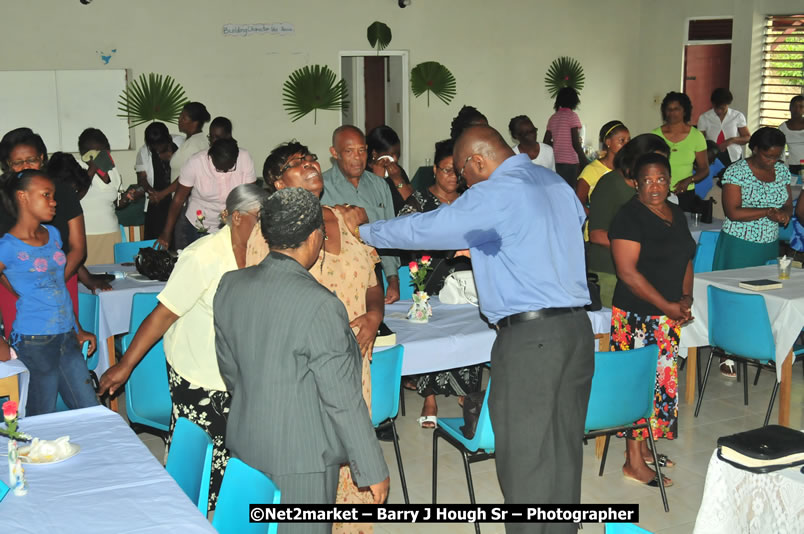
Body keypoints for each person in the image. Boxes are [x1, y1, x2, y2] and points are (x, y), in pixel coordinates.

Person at [351, 125, 593, 534]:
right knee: (563, 449)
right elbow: (548, 234)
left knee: (524, 457)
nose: (466, 185)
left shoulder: (494, 192)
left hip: (531, 339)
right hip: (576, 332)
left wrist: (364, 231)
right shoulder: (554, 181)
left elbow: (424, 228)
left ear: (477, 161)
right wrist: (488, 243)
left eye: (465, 176)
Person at [215, 188, 389, 534]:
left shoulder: (230, 285)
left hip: (247, 440)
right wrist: (373, 469)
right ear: (314, 238)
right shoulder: (320, 304)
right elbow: (343, 400)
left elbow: (230, 370)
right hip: (304, 458)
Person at [98, 184, 269, 511]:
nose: (266, 228)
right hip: (200, 373)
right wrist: (126, 365)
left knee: (240, 461)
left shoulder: (264, 254)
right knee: (202, 463)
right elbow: (163, 314)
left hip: (241, 373)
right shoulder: (203, 256)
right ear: (236, 217)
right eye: (260, 219)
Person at [256, 142, 383, 533]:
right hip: (302, 374)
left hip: (354, 365)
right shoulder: (267, 234)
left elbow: (372, 278)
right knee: (310, 477)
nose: (309, 164)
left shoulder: (345, 220)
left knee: (354, 461)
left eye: (310, 158)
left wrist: (375, 314)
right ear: (278, 183)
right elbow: (261, 305)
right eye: (296, 164)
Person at [609, 152, 696, 487]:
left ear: (670, 179)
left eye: (661, 179)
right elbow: (628, 274)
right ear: (635, 183)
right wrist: (667, 305)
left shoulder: (674, 212)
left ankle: (643, 449)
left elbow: (686, 256)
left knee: (658, 384)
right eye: (647, 180)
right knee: (637, 384)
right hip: (637, 316)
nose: (655, 186)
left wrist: (685, 298)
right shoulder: (628, 218)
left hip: (666, 315)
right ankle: (632, 462)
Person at [0, 169, 98, 416]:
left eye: (53, 195)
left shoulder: (53, 235)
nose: (54, 202)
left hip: (66, 335)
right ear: (23, 197)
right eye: (46, 195)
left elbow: (58, 287)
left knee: (90, 409)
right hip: (34, 342)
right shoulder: (8, 247)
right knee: (41, 416)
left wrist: (78, 328)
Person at [398, 138, 477, 429]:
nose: (453, 177)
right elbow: (403, 232)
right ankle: (429, 397)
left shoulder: (469, 199)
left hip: (465, 274)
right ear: (434, 170)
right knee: (432, 337)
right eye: (446, 170)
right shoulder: (419, 200)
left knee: (467, 330)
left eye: (457, 171)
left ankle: (466, 392)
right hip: (430, 274)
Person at [0, 128, 93, 328]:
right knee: (22, 352)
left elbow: (78, 248)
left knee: (66, 345)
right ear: (8, 164)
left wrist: (54, 284)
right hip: (14, 289)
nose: (26, 166)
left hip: (62, 280)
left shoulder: (63, 191)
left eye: (31, 159)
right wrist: (25, 292)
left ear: (42, 158)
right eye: (18, 163)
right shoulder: (1, 198)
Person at [588, 134, 670, 308]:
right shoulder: (611, 183)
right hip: (610, 271)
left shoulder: (648, 188)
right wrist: (639, 247)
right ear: (637, 157)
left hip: (642, 271)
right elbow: (596, 234)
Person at [320, 125, 401, 304]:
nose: (357, 158)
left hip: (375, 275)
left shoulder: (379, 185)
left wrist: (393, 278)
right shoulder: (320, 187)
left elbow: (389, 235)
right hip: (336, 277)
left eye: (362, 150)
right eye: (349, 151)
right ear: (335, 153)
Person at [713, 127, 792, 270]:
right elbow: (733, 213)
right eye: (768, 156)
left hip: (770, 241)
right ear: (755, 149)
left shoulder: (782, 171)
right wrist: (767, 212)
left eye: (777, 156)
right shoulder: (736, 172)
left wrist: (784, 214)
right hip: (740, 242)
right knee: (737, 288)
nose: (772, 161)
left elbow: (787, 204)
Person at [157, 137, 256, 250]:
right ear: (211, 156)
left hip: (233, 224)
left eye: (230, 168)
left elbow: (250, 197)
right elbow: (178, 199)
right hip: (200, 225)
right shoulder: (195, 163)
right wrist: (166, 232)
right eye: (219, 169)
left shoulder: (245, 158)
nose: (224, 172)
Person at [652, 92, 709, 211]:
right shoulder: (655, 135)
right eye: (669, 109)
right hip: (658, 191)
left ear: (685, 111)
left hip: (685, 194)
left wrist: (689, 180)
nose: (672, 113)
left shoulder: (696, 136)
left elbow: (704, 169)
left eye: (676, 109)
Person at [76, 128, 123, 265]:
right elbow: (76, 196)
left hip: (111, 233)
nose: (103, 155)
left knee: (114, 280)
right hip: (86, 235)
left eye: (105, 150)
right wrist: (92, 168)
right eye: (97, 152)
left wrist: (127, 198)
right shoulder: (76, 168)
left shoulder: (111, 169)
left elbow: (117, 202)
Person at [134, 122, 182, 240]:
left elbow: (187, 176)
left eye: (160, 146)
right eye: (153, 147)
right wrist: (154, 193)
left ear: (168, 139)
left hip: (180, 201)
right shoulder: (144, 151)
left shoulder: (182, 144)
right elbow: (142, 179)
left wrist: (163, 193)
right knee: (155, 244)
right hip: (157, 204)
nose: (157, 150)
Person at [576, 121, 630, 214]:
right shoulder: (591, 170)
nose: (627, 145)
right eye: (622, 140)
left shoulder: (628, 169)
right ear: (608, 142)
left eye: (628, 140)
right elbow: (577, 204)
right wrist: (597, 217)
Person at [544, 87, 589, 189]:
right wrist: (585, 162)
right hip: (570, 163)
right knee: (569, 191)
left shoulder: (553, 117)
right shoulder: (572, 116)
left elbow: (546, 142)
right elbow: (575, 143)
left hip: (555, 162)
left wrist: (557, 143)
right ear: (575, 101)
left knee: (558, 191)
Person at [696, 88, 750, 165]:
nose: (719, 111)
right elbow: (699, 140)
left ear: (727, 104)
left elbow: (747, 137)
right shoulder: (704, 117)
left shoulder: (737, 116)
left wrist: (731, 140)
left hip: (733, 155)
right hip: (711, 155)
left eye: (722, 108)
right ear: (713, 104)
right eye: (716, 108)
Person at [366, 125, 413, 214]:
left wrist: (398, 180)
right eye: (391, 155)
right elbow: (373, 210)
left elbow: (414, 204)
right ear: (375, 154)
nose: (395, 159)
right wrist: (378, 180)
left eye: (398, 154)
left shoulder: (397, 170)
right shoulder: (364, 173)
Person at [170, 101, 211, 179]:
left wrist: (163, 192)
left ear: (195, 123)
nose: (179, 120)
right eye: (180, 116)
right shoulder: (194, 140)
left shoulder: (194, 144)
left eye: (184, 118)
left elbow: (188, 177)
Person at [779, 95, 804, 175]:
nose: (797, 109)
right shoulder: (783, 128)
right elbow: (780, 149)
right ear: (790, 108)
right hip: (792, 165)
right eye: (794, 106)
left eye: (801, 107)